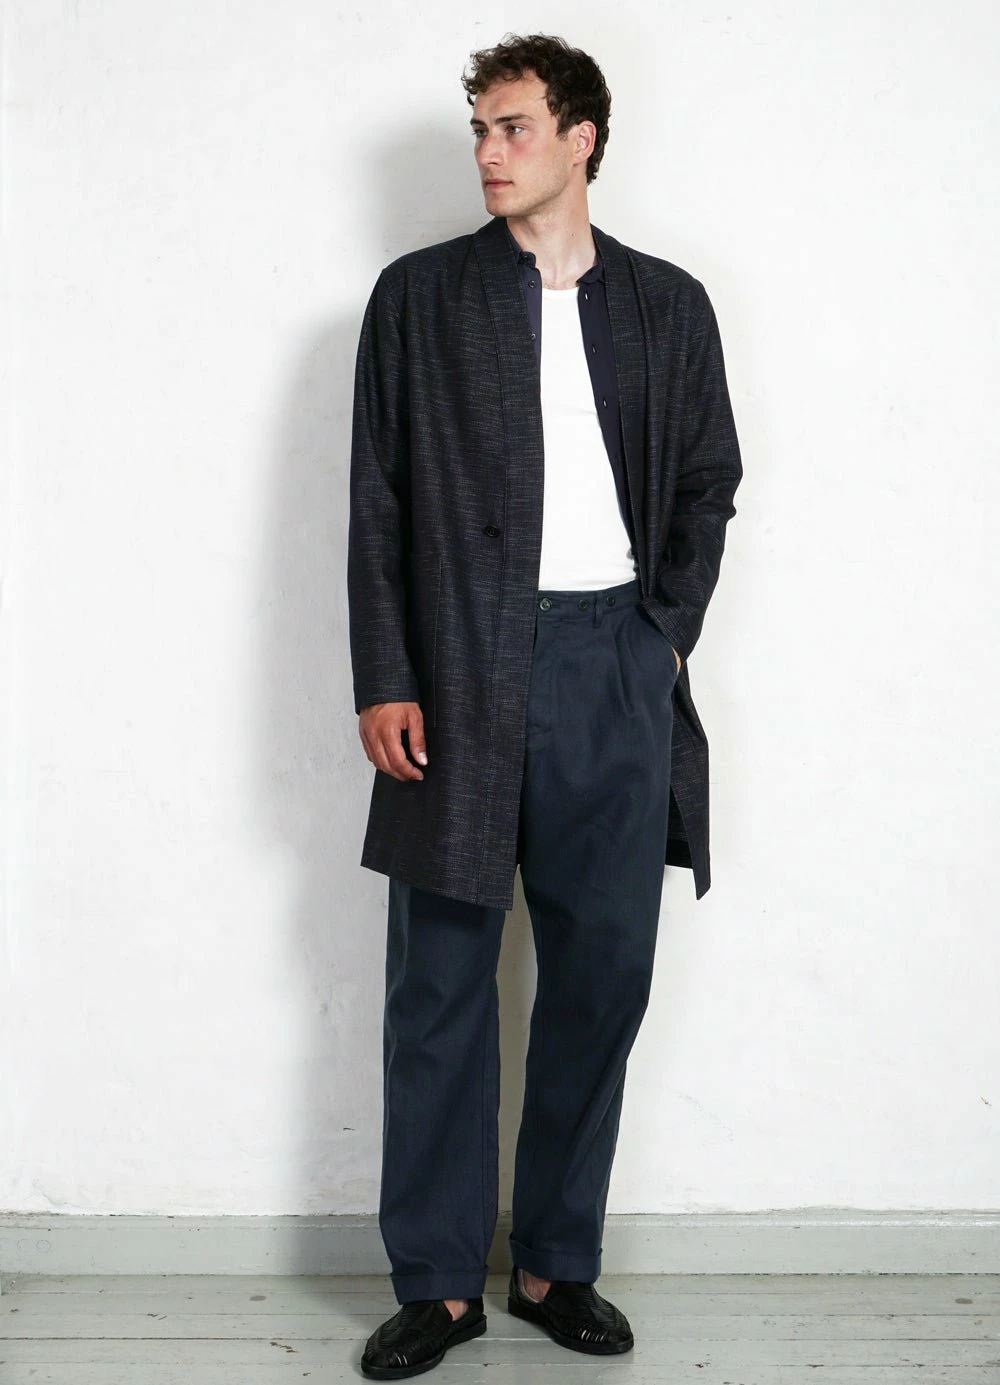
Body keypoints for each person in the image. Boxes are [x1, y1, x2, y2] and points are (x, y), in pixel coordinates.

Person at [348, 32, 743, 1379]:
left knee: (600, 975)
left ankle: (554, 1264)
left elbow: (709, 481)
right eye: (478, 128)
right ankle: (438, 1286)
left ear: (582, 139)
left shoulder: (669, 306)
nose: (487, 152)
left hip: (611, 664)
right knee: (441, 985)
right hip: (457, 667)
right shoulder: (419, 299)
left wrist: (661, 637)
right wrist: (387, 675)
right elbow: (377, 501)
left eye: (511, 127)